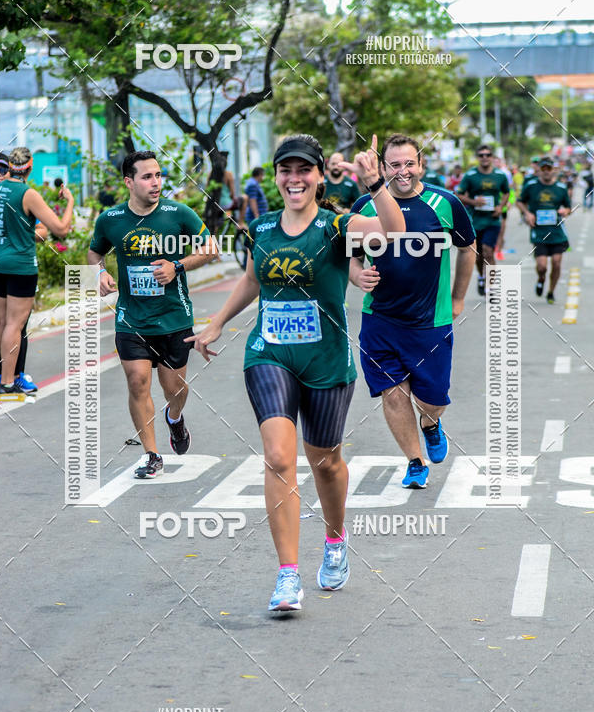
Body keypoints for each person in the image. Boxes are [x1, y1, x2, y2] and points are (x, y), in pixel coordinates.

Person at [190, 133, 405, 612]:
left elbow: (390, 230)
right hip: (270, 355)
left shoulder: (339, 226)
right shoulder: (262, 228)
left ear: (317, 175)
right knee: (278, 457)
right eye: (285, 170)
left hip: (327, 362)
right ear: (277, 176)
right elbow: (251, 279)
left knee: (325, 462)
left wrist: (374, 184)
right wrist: (217, 322)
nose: (294, 179)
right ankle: (287, 575)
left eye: (303, 170)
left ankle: (334, 539)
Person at [348, 133, 475, 490]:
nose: (403, 171)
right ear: (383, 167)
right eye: (394, 165)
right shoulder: (365, 207)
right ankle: (415, 461)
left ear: (421, 165)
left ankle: (431, 424)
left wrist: (459, 297)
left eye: (409, 164)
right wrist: (359, 276)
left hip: (430, 322)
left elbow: (468, 249)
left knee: (431, 399)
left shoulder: (445, 203)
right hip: (380, 319)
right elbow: (350, 258)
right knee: (393, 393)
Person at [89, 150, 218, 477]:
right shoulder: (111, 220)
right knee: (137, 381)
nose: (156, 182)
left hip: (174, 318)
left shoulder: (179, 214)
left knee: (174, 389)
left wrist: (177, 266)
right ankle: (151, 454)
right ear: (128, 181)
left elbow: (211, 248)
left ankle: (174, 418)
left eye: (159, 175)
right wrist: (100, 273)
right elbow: (94, 252)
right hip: (132, 319)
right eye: (147, 177)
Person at [0, 147, 74, 395]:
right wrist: (69, 201)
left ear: (9, 168)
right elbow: (60, 229)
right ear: (29, 168)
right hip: (21, 267)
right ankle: (8, 381)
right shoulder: (28, 194)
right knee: (14, 325)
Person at [516, 156, 571, 304]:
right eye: (543, 169)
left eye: (549, 169)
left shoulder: (561, 188)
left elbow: (568, 206)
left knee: (557, 262)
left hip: (557, 231)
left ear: (554, 170)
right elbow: (519, 201)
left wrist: (565, 211)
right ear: (539, 170)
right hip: (539, 231)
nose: (546, 172)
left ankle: (551, 292)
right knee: (541, 266)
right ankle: (541, 279)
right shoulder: (531, 185)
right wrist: (527, 214)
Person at [457, 145, 509, 295]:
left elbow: (506, 192)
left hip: (492, 220)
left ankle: (491, 287)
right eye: (481, 155)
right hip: (475, 220)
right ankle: (481, 275)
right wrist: (474, 202)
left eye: (488, 154)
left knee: (488, 252)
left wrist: (500, 206)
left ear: (492, 157)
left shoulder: (500, 175)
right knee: (478, 255)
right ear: (478, 157)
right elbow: (459, 194)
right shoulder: (470, 175)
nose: (485, 157)